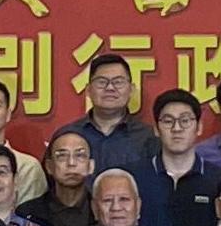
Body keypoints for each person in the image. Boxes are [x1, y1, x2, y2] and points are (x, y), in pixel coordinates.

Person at [57, 54, 161, 190]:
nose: (110, 88)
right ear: (88, 90)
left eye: (118, 82)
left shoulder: (149, 137)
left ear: (131, 89)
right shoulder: (67, 135)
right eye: (101, 82)